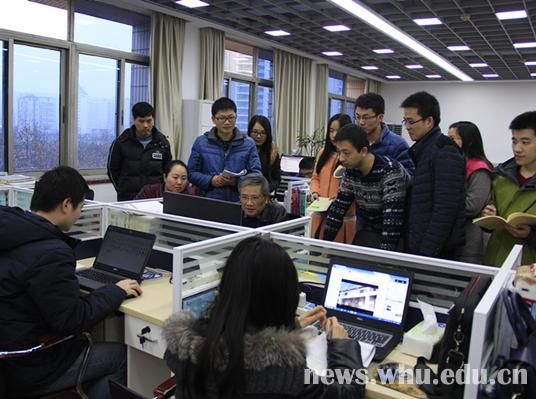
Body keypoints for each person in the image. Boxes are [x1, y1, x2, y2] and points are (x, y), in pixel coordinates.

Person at [0, 167, 142, 398]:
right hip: (28, 363)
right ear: (66, 204)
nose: (80, 214)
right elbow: (73, 320)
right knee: (122, 358)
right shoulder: (51, 252)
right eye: (80, 207)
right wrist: (115, 290)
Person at [162, 236, 364, 399]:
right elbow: (347, 391)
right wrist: (342, 345)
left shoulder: (186, 345)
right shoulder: (286, 370)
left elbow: (239, 334)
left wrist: (290, 327)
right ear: (283, 299)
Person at [401, 91, 466, 259]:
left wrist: (427, 252)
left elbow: (445, 209)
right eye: (405, 121)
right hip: (420, 243)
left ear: (429, 121)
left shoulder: (445, 151)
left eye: (411, 121)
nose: (407, 127)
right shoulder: (425, 150)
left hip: (435, 251)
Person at [323, 124, 408, 251]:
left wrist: (385, 261)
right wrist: (324, 247)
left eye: (346, 153)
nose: (341, 158)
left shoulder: (390, 172)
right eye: (339, 152)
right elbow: (338, 209)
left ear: (363, 151)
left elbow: (392, 224)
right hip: (368, 230)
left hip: (397, 235)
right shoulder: (351, 171)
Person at [483, 111, 536, 266]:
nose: (517, 148)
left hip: (529, 271)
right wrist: (490, 215)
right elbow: (491, 217)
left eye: (525, 142)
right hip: (496, 262)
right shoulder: (501, 176)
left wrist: (531, 235)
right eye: (514, 141)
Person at [188, 97, 261, 202]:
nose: (227, 122)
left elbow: (256, 175)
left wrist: (236, 181)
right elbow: (191, 173)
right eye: (222, 118)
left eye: (231, 117)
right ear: (213, 119)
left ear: (236, 118)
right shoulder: (201, 143)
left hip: (239, 201)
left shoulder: (248, 144)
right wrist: (211, 180)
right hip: (208, 200)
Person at [448, 121, 493, 264]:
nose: (447, 143)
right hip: (454, 237)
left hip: (470, 243)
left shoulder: (479, 170)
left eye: (452, 139)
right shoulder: (456, 164)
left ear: (469, 141)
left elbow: (472, 206)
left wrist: (443, 203)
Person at [107, 102, 172, 201]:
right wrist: (121, 189)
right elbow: (112, 170)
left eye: (149, 121)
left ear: (153, 120)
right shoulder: (121, 142)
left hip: (154, 198)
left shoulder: (162, 143)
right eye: (141, 121)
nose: (146, 125)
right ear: (134, 120)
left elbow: (167, 171)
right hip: (128, 199)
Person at [310, 113, 356, 242]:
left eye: (338, 131)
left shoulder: (352, 156)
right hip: (320, 215)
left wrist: (341, 197)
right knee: (316, 257)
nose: (334, 135)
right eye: (331, 131)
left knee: (336, 258)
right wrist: (314, 192)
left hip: (342, 218)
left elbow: (356, 187)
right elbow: (315, 177)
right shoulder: (323, 153)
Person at [354, 92, 414, 173]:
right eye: (358, 117)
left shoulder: (398, 145)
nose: (361, 122)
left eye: (366, 117)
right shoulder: (354, 142)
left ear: (380, 117)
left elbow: (410, 177)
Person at [247, 115, 281, 193]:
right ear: (249, 132)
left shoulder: (273, 151)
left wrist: (265, 189)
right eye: (255, 132)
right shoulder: (243, 149)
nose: (258, 136)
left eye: (263, 133)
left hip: (264, 194)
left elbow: (276, 179)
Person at [135, 160, 199, 199]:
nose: (179, 182)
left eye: (183, 178)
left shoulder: (192, 195)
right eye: (175, 177)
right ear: (165, 177)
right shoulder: (148, 191)